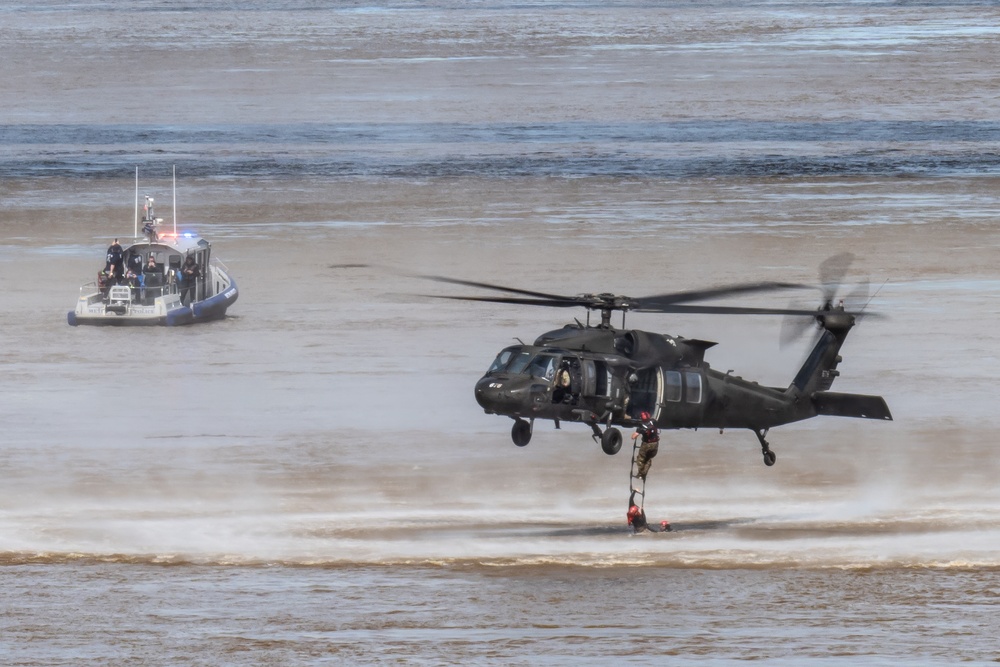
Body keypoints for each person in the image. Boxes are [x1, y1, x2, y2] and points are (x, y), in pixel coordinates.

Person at [631, 410, 660, 484]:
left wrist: (635, 433)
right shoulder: (653, 422)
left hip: (647, 444)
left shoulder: (641, 426)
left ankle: (641, 474)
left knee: (640, 459)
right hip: (655, 444)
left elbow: (633, 437)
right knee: (648, 459)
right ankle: (643, 473)